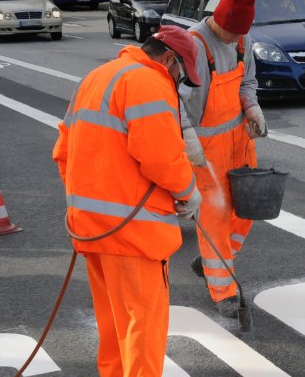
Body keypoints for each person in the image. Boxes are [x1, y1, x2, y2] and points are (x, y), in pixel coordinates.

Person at [52, 25, 204, 377]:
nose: (179, 85)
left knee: (114, 328)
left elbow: (63, 152)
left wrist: (96, 201)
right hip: (134, 235)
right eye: (181, 76)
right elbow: (161, 157)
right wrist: (187, 191)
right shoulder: (148, 82)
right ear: (168, 58)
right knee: (142, 329)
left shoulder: (97, 77)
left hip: (92, 230)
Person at [179, 0, 267, 318]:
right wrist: (187, 139)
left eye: (240, 34)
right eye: (230, 33)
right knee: (215, 216)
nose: (234, 41)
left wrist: (251, 108)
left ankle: (212, 260)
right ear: (218, 21)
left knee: (247, 210)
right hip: (205, 148)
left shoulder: (243, 40)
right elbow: (176, 101)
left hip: (238, 142)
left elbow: (247, 82)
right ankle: (223, 292)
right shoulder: (195, 46)